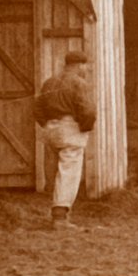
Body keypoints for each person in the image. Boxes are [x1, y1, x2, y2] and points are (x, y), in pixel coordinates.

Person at [34, 50, 96, 227]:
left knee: (54, 172)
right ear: (79, 65)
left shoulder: (49, 82)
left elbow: (37, 107)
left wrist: (47, 124)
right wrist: (84, 128)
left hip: (51, 128)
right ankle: (60, 217)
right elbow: (88, 111)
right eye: (85, 66)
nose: (86, 70)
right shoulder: (78, 82)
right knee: (69, 171)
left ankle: (59, 214)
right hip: (70, 127)